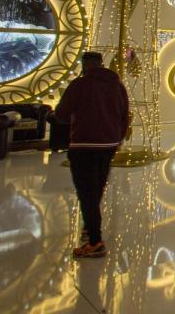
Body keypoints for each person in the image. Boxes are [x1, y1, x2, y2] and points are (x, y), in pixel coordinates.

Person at [55, 51, 130, 259]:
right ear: (102, 64)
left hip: (84, 145)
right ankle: (90, 226)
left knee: (86, 192)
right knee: (96, 187)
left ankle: (95, 241)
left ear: (84, 65)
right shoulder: (117, 86)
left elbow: (61, 114)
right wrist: (118, 138)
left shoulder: (80, 85)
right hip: (109, 145)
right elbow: (125, 115)